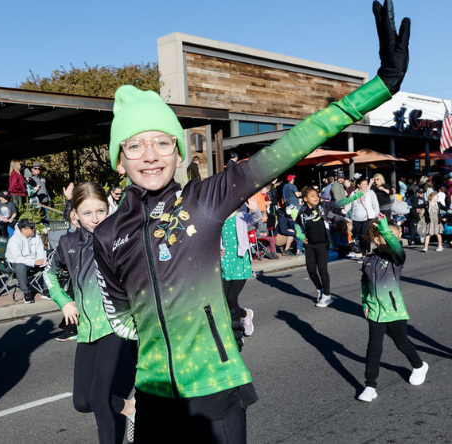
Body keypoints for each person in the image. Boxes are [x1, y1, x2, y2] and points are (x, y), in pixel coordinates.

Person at [92, 2, 409, 438]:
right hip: (153, 392)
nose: (150, 155)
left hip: (216, 386)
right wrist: (155, 351)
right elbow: (120, 315)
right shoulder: (108, 233)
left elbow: (292, 145)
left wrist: (380, 87)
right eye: (134, 146)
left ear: (177, 151)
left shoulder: (203, 200)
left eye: (162, 142)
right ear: (119, 159)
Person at [44, 182, 136, 444]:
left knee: (98, 398)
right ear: (75, 214)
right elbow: (47, 273)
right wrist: (63, 300)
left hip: (115, 322)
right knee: (82, 402)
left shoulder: (119, 239)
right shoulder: (67, 242)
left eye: (101, 211)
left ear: (109, 210)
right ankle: (129, 408)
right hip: (86, 327)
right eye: (87, 213)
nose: (94, 219)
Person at [356, 214, 428, 403]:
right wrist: (365, 303)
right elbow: (365, 283)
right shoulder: (368, 260)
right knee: (374, 347)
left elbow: (396, 247)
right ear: (376, 238)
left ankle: (419, 366)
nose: (392, 239)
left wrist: (385, 227)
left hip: (394, 310)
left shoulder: (396, 259)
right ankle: (370, 386)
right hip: (374, 311)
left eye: (395, 236)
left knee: (401, 342)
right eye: (387, 235)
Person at [295, 187, 362, 307]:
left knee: (322, 270)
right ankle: (320, 289)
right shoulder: (302, 212)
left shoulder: (322, 207)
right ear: (305, 199)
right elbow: (297, 225)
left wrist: (354, 197)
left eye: (317, 195)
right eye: (312, 196)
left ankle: (327, 295)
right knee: (311, 270)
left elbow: (338, 203)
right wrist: (300, 236)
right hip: (309, 245)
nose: (316, 198)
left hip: (322, 244)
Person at [221, 197, 261, 343]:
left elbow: (256, 219)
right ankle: (244, 316)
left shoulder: (241, 217)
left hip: (239, 261)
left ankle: (240, 327)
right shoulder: (220, 220)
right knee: (224, 300)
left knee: (232, 298)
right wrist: (219, 250)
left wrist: (254, 208)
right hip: (225, 262)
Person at [5, 218, 48, 304]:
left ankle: (46, 290)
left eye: (33, 227)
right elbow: (17, 259)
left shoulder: (36, 237)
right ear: (23, 230)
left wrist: (42, 260)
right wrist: (34, 262)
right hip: (14, 263)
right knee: (20, 266)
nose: (33, 229)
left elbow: (41, 252)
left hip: (33, 261)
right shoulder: (14, 240)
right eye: (31, 228)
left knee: (48, 263)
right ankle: (26, 292)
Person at [348, 177, 379, 256]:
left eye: (366, 184)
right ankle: (363, 255)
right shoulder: (353, 194)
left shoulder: (370, 193)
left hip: (368, 218)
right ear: (358, 185)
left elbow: (376, 205)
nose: (366, 185)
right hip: (356, 218)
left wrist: (374, 215)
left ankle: (369, 252)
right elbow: (350, 205)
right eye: (364, 184)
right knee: (359, 236)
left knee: (364, 235)